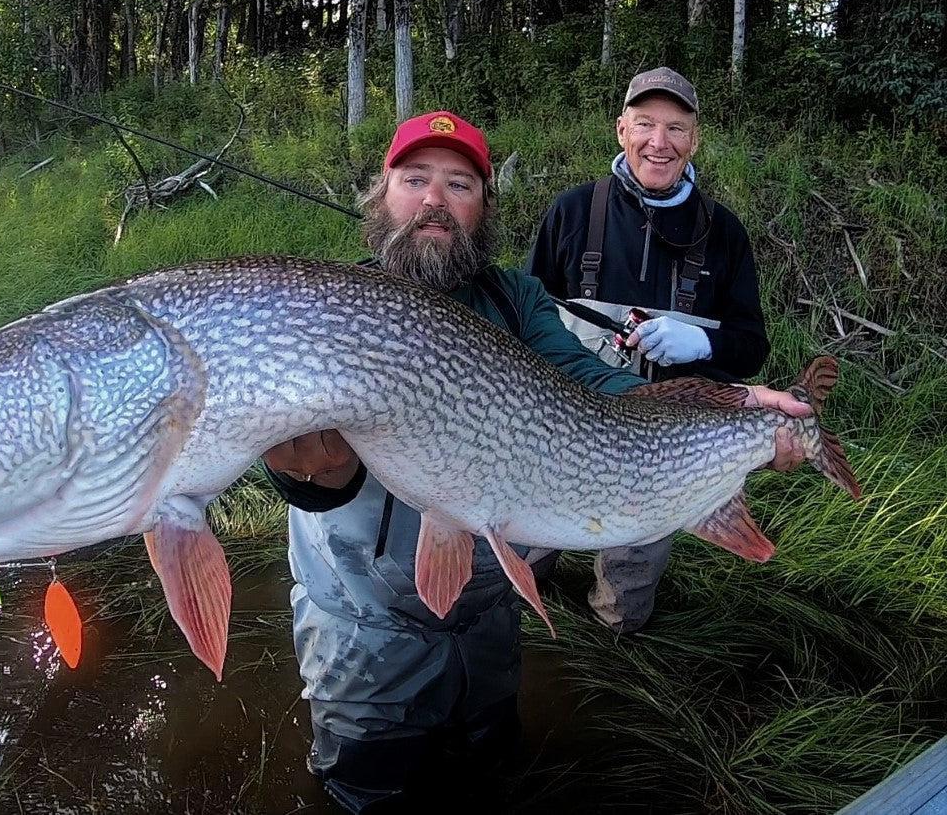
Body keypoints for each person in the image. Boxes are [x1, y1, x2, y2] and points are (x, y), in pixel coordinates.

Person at [261, 110, 806, 814]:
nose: (434, 200)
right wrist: (304, 475)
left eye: (459, 184)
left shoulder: (515, 298)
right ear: (382, 195)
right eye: (415, 179)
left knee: (492, 770)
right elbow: (293, 460)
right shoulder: (335, 303)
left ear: (483, 208)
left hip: (489, 618)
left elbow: (591, 382)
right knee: (366, 790)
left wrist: (731, 409)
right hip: (365, 635)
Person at [526, 67, 771, 635]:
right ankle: (522, 629)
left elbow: (751, 345)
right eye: (644, 125)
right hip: (561, 427)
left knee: (631, 576)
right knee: (524, 548)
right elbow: (525, 314)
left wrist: (702, 341)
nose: (658, 144)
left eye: (675, 129)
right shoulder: (572, 212)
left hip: (665, 449)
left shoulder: (725, 233)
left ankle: (614, 648)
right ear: (620, 130)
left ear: (695, 139)